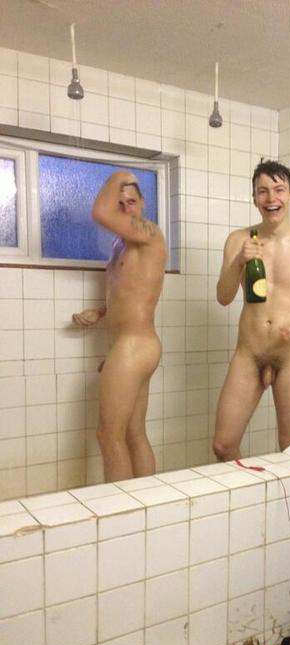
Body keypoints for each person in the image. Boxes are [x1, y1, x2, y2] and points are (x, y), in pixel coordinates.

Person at [212, 159, 290, 461]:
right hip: (250, 353)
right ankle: (248, 490)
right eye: (262, 191)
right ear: (254, 198)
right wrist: (239, 262)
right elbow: (223, 297)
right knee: (223, 445)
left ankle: (284, 493)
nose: (271, 198)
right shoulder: (238, 240)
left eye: (279, 189)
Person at [72, 170, 167, 482]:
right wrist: (100, 312)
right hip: (132, 346)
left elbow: (99, 212)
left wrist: (120, 175)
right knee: (133, 433)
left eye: (131, 201)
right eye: (120, 203)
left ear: (143, 203)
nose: (125, 208)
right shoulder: (120, 245)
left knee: (108, 436)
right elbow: (132, 292)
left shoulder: (149, 233)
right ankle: (147, 503)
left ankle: (119, 508)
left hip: (134, 347)